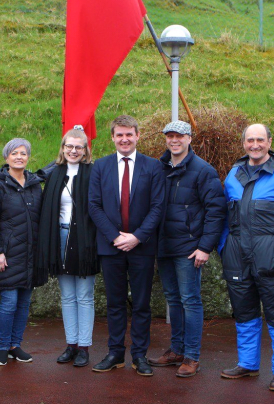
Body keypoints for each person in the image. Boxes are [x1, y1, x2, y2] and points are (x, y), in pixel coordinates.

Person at [148, 121, 226, 377]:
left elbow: (216, 211)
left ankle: (192, 356)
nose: (174, 140)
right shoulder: (159, 167)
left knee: (190, 301)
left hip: (190, 249)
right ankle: (177, 350)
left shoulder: (203, 170)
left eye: (179, 136)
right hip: (165, 246)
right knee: (173, 301)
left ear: (189, 138)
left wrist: (205, 247)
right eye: (170, 136)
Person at [88, 115, 164, 376]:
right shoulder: (100, 166)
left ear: (138, 136)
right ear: (112, 138)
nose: (124, 139)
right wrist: (115, 236)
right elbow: (94, 206)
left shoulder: (153, 166)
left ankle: (140, 355)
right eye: (119, 135)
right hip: (111, 247)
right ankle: (115, 352)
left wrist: (137, 237)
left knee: (142, 303)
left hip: (142, 247)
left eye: (129, 134)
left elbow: (157, 207)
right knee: (115, 303)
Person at [219, 124, 274, 392]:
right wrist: (223, 248)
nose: (255, 145)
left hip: (270, 258)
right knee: (244, 312)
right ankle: (248, 364)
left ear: (269, 141)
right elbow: (224, 217)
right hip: (237, 257)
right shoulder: (233, 175)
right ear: (244, 143)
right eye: (250, 140)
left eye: (260, 140)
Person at [37, 127, 99, 367]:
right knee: (67, 296)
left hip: (84, 240)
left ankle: (84, 346)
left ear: (85, 151)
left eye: (78, 147)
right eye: (69, 146)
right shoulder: (54, 173)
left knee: (84, 296)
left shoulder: (94, 173)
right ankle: (71, 344)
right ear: (63, 148)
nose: (73, 151)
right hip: (60, 237)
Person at [0, 138, 43, 366]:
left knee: (24, 303)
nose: (19, 156)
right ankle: (2, 347)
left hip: (30, 254)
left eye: (23, 153)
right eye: (14, 153)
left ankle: (15, 345)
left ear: (28, 157)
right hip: (7, 255)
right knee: (8, 302)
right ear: (6, 157)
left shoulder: (34, 184)